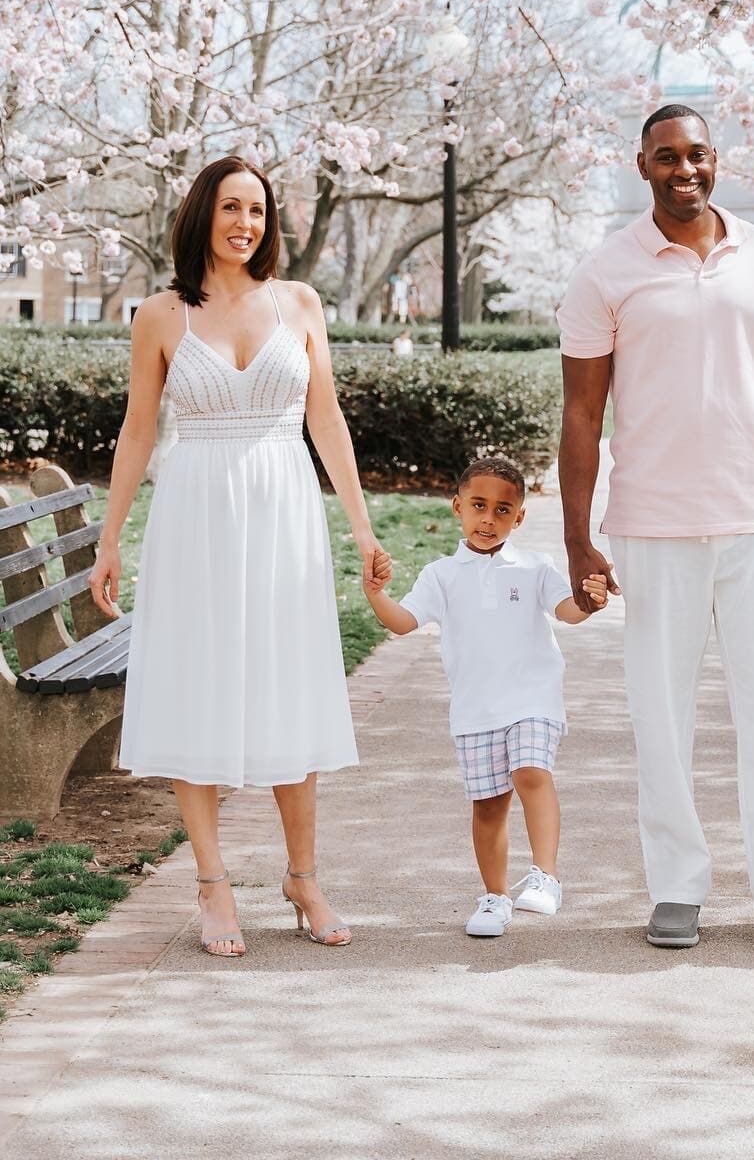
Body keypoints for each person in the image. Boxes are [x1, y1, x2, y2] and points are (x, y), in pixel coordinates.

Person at [556, 103, 754, 954]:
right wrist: (580, 538)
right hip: (651, 526)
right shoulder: (605, 271)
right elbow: (581, 417)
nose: (683, 170)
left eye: (696, 156)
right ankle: (678, 887)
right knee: (662, 717)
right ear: (642, 165)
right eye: (666, 158)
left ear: (715, 160)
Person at [90, 156, 386, 957]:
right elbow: (139, 432)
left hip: (285, 507)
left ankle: (303, 876)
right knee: (197, 683)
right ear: (203, 215)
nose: (244, 223)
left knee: (289, 679)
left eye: (256, 210)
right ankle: (213, 885)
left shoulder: (300, 303)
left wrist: (361, 529)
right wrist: (111, 539)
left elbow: (326, 422)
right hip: (197, 515)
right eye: (230, 208)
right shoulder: (161, 314)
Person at [362, 456, 610, 937]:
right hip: (475, 709)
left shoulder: (536, 567)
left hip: (533, 697)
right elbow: (403, 622)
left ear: (519, 517)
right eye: (479, 506)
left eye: (503, 510)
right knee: (489, 804)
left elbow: (568, 611)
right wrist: (375, 594)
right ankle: (495, 899)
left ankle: (545, 876)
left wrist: (591, 599)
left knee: (531, 772)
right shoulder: (440, 575)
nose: (489, 519)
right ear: (458, 507)